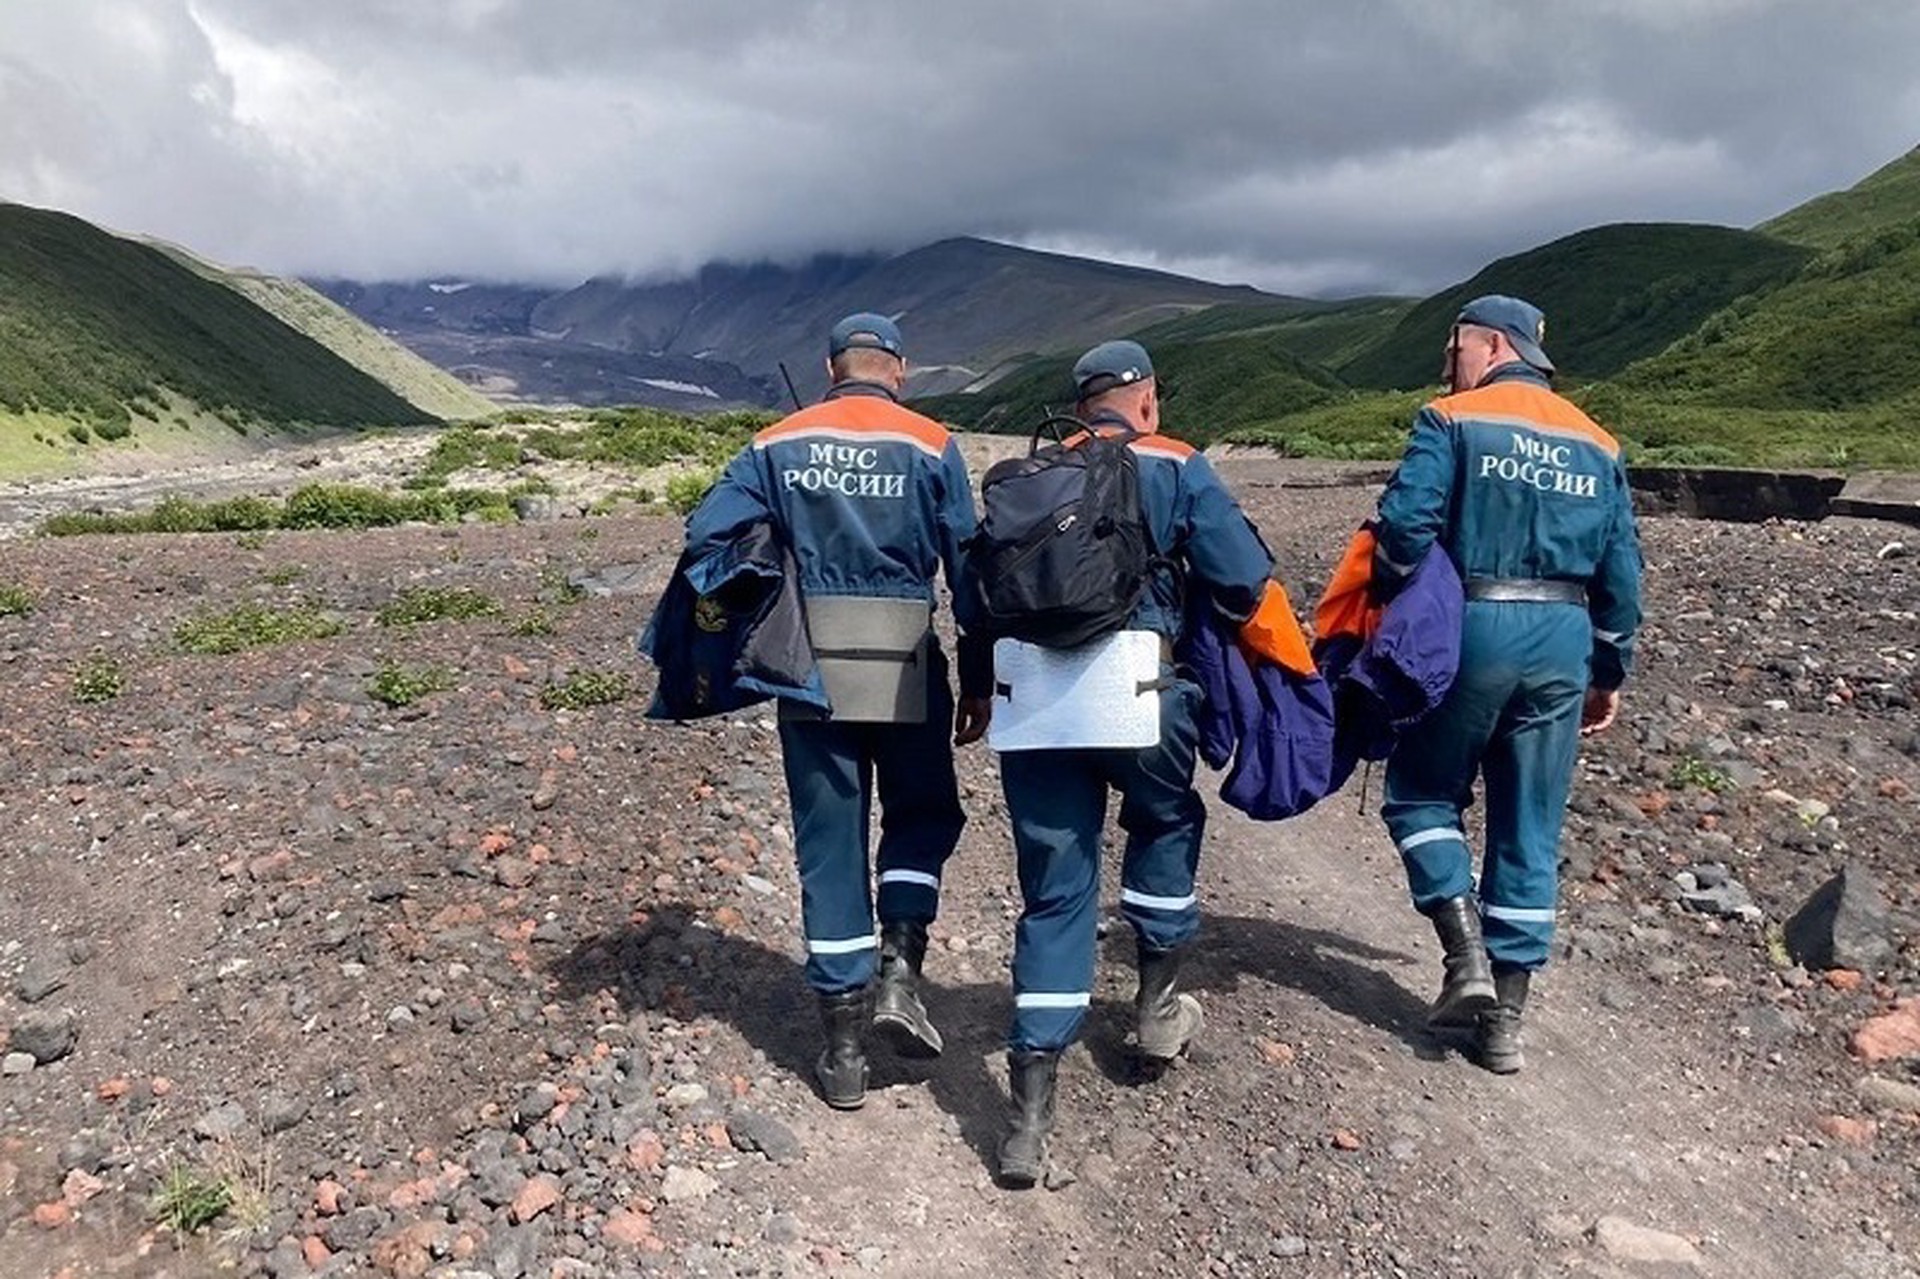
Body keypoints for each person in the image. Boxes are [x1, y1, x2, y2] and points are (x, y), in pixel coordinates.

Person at [677, 312, 992, 1108]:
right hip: (907, 664)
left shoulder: (776, 442)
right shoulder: (931, 442)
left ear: (829, 368)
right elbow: (970, 574)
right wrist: (983, 676)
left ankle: (844, 1048)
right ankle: (900, 964)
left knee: (829, 842)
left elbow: (707, 533)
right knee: (921, 814)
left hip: (810, 671)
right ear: (900, 368)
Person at [989, 340, 1274, 1186]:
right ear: (1146, 399)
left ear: (1080, 405)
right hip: (1141, 689)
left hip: (1037, 698)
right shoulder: (1176, 464)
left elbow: (982, 595)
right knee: (1163, 822)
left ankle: (1030, 1120)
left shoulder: (1034, 474)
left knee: (1055, 885)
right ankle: (1154, 1011)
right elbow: (1243, 578)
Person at [1373, 295, 1642, 1074]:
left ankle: (1466, 960)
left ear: (1491, 345)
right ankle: (1505, 1027)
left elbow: (1402, 528)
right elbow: (1622, 573)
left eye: (1454, 347)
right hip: (1562, 640)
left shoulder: (1449, 420)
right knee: (1530, 823)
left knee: (1420, 793)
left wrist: (1399, 600)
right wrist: (1608, 668)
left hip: (1474, 625)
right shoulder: (1598, 441)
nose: (1447, 363)